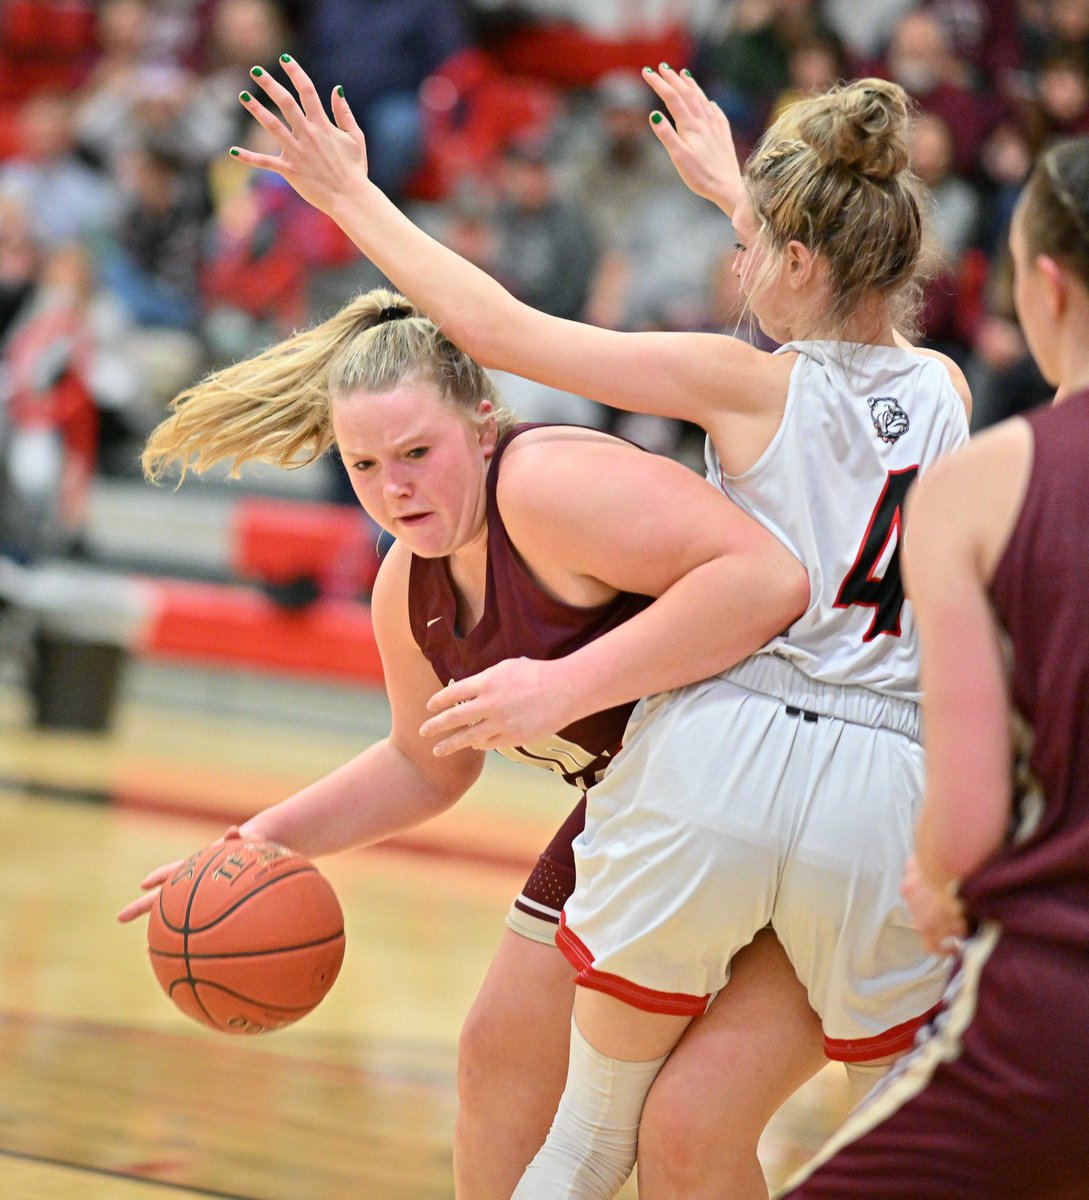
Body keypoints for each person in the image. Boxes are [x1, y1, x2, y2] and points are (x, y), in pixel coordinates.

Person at [227, 58, 971, 1199]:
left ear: (794, 259)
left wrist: (351, 198)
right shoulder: (946, 390)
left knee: (586, 1140)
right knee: (898, 1147)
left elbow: (495, 327)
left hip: (725, 753)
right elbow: (834, 281)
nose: (735, 267)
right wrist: (743, 192)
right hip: (889, 784)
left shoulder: (743, 383)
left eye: (748, 248)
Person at [778, 129, 1089, 1198]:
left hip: (1079, 1004)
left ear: (1048, 289)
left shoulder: (990, 482)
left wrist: (940, 877)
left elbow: (963, 828)